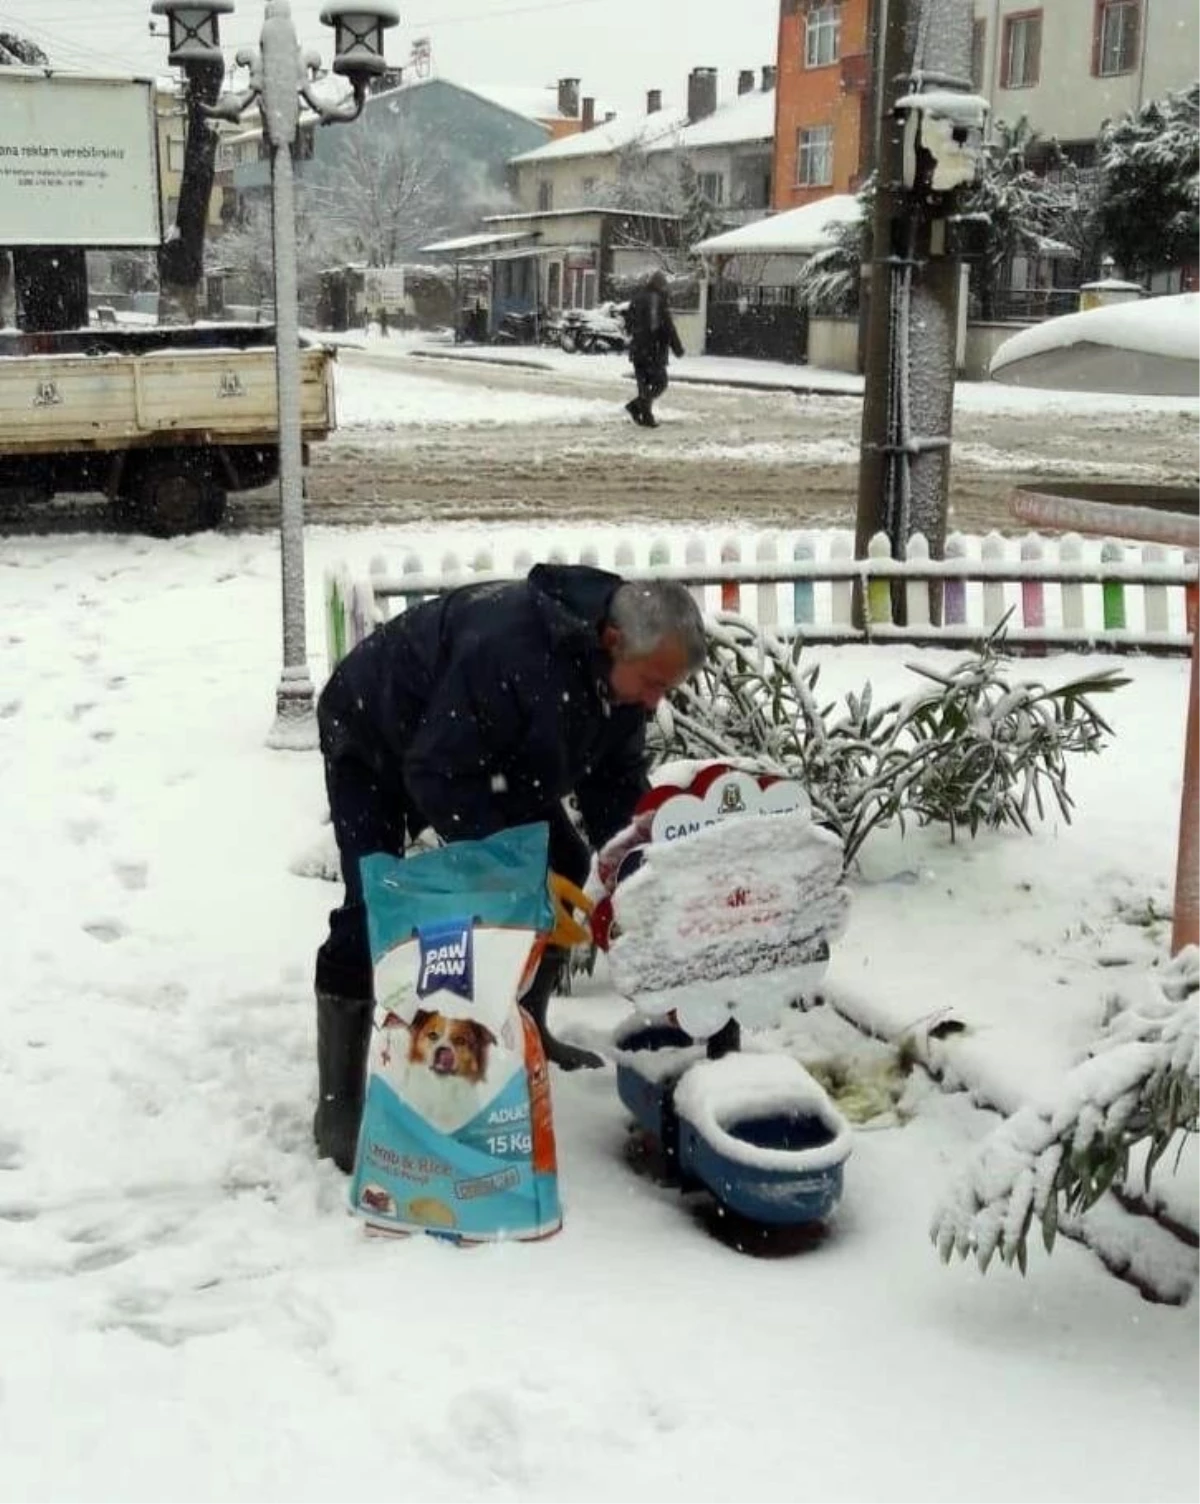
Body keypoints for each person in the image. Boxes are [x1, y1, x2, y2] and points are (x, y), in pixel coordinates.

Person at [313, 564, 707, 1172]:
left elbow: (616, 787)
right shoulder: (508, 649)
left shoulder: (621, 676)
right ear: (611, 642)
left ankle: (533, 1027)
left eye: (667, 688)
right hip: (377, 736)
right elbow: (436, 775)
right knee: (374, 903)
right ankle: (339, 1103)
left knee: (568, 864)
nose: (658, 701)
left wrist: (641, 870)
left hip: (487, 754)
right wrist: (513, 875)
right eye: (655, 682)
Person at [625, 268, 685, 429]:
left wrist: (637, 336)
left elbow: (628, 324)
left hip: (638, 349)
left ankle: (645, 415)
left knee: (643, 384)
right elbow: (667, 327)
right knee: (660, 383)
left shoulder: (637, 298)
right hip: (653, 350)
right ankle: (637, 407)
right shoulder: (658, 300)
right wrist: (677, 347)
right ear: (660, 285)